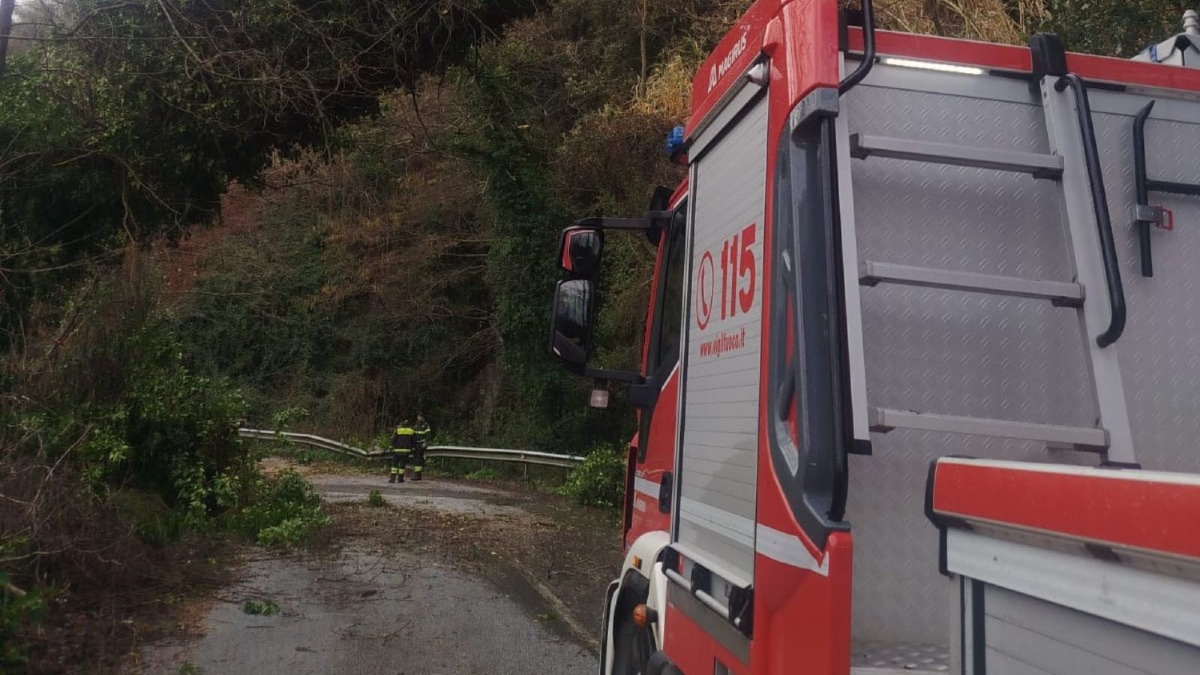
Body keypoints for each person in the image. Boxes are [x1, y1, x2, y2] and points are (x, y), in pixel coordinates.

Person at [389, 418, 415, 483]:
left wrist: (391, 446)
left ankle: (392, 479)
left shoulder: (398, 430)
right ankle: (400, 479)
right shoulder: (411, 430)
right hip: (406, 451)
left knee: (394, 465)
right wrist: (413, 447)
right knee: (402, 465)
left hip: (397, 450)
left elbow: (393, 439)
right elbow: (414, 440)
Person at [411, 412, 432, 482]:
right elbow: (413, 435)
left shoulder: (425, 425)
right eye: (418, 417)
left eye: (420, 417)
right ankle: (416, 474)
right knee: (416, 459)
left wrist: (425, 443)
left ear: (423, 418)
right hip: (416, 444)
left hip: (421, 444)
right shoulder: (416, 425)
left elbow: (428, 435)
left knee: (419, 459)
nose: (419, 418)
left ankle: (417, 475)